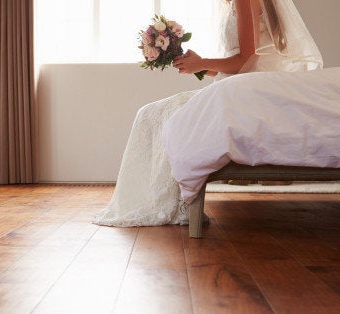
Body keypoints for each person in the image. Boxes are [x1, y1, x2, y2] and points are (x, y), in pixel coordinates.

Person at [93, 0, 323, 227]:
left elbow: (247, 61)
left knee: (151, 115)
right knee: (151, 114)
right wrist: (199, 65)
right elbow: (237, 63)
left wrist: (201, 62)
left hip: (240, 92)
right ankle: (156, 199)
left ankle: (159, 202)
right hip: (234, 87)